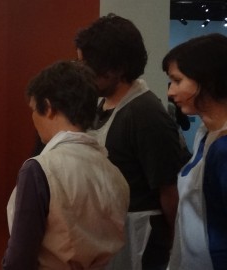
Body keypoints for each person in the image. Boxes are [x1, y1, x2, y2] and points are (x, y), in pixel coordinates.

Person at [75, 14, 190, 270]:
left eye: (88, 64)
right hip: (108, 233)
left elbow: (168, 190)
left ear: (117, 67)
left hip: (141, 238)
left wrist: (173, 247)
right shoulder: (99, 105)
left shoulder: (145, 113)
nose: (82, 71)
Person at [3, 61, 130, 269]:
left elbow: (20, 257)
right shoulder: (114, 173)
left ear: (49, 107)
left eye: (34, 109)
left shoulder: (40, 169)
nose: (33, 118)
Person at [162, 33, 227, 269]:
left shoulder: (224, 147)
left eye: (177, 81)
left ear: (206, 80)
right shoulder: (206, 134)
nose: (170, 92)